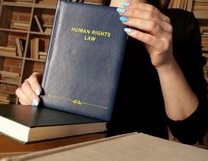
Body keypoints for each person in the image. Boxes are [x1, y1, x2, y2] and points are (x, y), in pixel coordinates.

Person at [15, 0, 208, 144]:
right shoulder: (79, 16)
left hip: (139, 152)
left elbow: (190, 132)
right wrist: (41, 93)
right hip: (71, 146)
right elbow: (64, 107)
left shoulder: (178, 25)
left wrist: (166, 65)